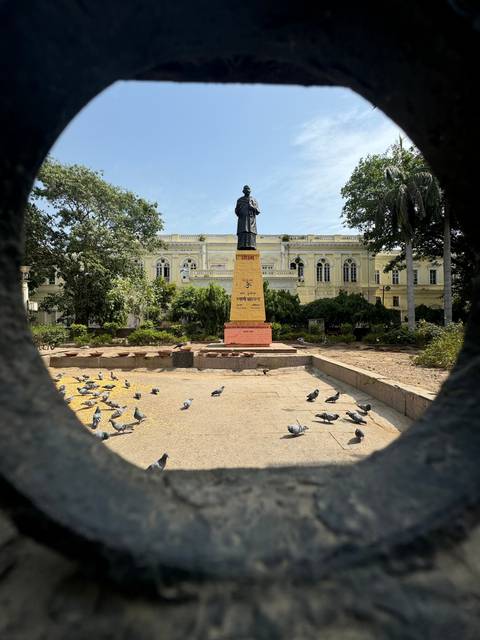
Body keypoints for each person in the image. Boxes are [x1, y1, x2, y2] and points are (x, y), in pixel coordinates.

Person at [235, 185, 260, 250]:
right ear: (243, 191)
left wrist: (252, 207)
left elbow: (258, 211)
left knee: (250, 232)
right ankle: (241, 246)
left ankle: (251, 246)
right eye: (246, 190)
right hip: (242, 221)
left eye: (248, 190)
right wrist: (240, 211)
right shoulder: (239, 200)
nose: (247, 191)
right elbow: (236, 211)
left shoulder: (254, 200)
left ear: (250, 191)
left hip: (251, 222)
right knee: (243, 232)